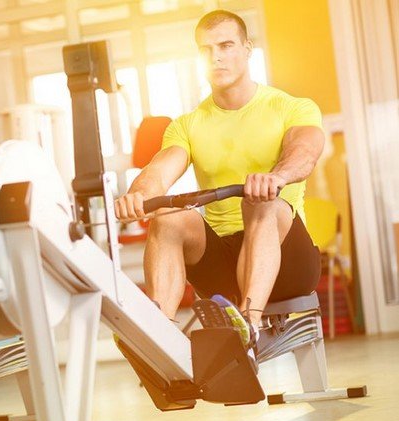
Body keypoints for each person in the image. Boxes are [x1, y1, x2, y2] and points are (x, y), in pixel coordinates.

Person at [114, 10, 324, 358]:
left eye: (226, 45)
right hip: (222, 267)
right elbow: (159, 171)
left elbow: (305, 151)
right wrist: (139, 194)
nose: (216, 56)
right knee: (166, 214)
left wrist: (277, 177)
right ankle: (160, 339)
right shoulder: (188, 124)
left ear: (247, 48)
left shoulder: (291, 107)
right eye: (205, 49)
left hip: (288, 261)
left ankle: (249, 328)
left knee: (262, 203)